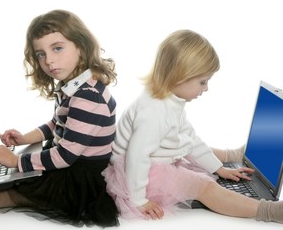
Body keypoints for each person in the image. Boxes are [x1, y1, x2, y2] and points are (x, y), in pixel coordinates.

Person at [0, 9, 119, 227]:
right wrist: (24, 139)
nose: (49, 61)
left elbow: (65, 156)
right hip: (65, 164)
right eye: (41, 54)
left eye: (57, 48)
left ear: (81, 47)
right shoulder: (74, 85)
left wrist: (16, 161)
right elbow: (57, 125)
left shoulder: (88, 99)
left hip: (74, 181)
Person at [103, 29, 283, 223]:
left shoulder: (169, 100)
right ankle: (269, 211)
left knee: (185, 144)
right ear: (179, 76)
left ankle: (232, 156)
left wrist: (218, 168)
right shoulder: (154, 113)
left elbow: (190, 139)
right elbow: (137, 157)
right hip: (139, 175)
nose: (206, 88)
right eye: (202, 82)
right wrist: (139, 199)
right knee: (204, 187)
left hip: (153, 162)